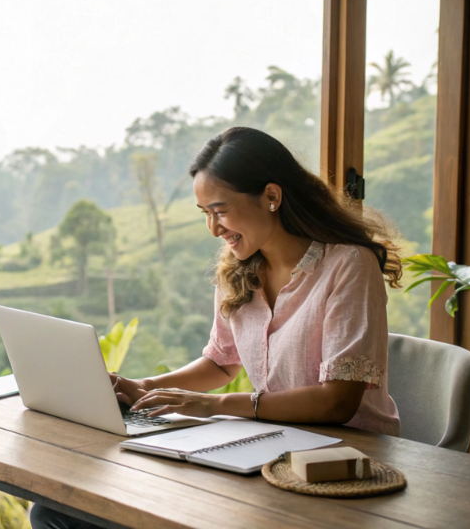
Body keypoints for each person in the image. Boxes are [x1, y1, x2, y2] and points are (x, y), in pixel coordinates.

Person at [30, 127, 402, 529]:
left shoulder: (348, 265)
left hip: (348, 463)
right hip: (271, 450)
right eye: (205, 213)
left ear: (272, 196)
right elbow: (221, 363)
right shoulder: (238, 270)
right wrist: (146, 388)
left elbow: (337, 402)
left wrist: (214, 404)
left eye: (220, 211)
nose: (213, 228)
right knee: (53, 512)